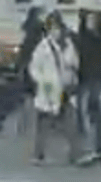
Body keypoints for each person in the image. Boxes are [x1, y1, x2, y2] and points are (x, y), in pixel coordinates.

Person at [28, 11, 81, 165]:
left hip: (64, 88)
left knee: (70, 121)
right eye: (53, 28)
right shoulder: (43, 47)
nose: (56, 32)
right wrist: (42, 81)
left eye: (58, 28)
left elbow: (74, 62)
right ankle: (38, 154)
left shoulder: (68, 44)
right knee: (44, 123)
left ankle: (75, 154)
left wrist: (71, 69)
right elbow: (34, 68)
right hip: (49, 89)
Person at [0, 5, 44, 133]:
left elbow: (24, 52)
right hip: (32, 70)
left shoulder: (33, 32)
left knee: (15, 95)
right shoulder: (36, 33)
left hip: (30, 70)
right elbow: (27, 52)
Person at [77, 9, 101, 164]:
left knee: (100, 115)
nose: (90, 23)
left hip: (97, 80)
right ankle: (94, 148)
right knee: (90, 114)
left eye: (93, 20)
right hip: (87, 80)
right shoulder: (85, 39)